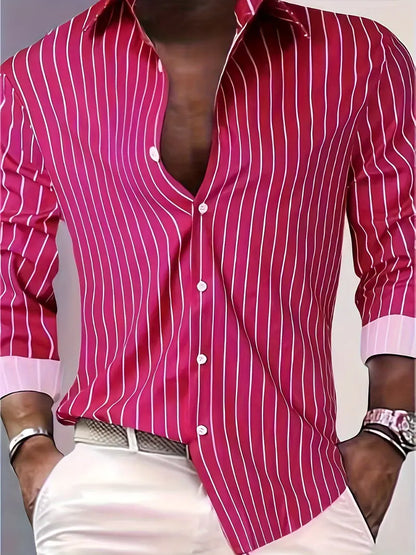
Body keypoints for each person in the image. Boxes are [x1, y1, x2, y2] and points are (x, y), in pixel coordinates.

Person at [0, 0, 414, 553]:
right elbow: (11, 273)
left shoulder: (358, 57)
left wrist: (389, 434)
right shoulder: (39, 76)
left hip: (298, 492)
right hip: (108, 496)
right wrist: (29, 446)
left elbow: (402, 250)